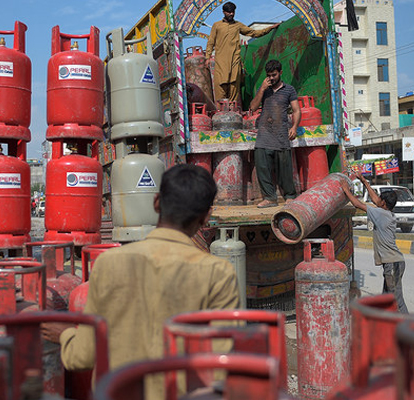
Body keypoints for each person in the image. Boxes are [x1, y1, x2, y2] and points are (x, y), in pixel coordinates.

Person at [42, 164, 239, 398]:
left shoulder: (108, 264)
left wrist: (64, 335)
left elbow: (81, 357)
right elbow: (222, 366)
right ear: (206, 217)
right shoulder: (219, 273)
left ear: (157, 202)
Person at [340, 170, 408, 313]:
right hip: (393, 263)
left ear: (383, 203)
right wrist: (364, 181)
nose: (377, 201)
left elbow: (358, 204)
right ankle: (386, 327)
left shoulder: (380, 213)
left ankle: (409, 328)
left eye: (380, 200)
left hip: (392, 264)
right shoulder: (386, 212)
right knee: (386, 299)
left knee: (396, 300)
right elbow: (376, 200)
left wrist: (346, 190)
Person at [249, 59, 300, 208]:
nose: (271, 78)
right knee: (262, 167)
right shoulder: (264, 89)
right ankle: (270, 198)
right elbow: (253, 107)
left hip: (281, 135)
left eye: (274, 75)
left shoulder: (289, 90)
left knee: (284, 169)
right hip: (264, 135)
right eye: (269, 75)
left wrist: (295, 127)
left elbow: (296, 110)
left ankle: (290, 196)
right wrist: (262, 89)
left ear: (280, 73)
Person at [205, 2, 279, 103]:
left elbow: (253, 33)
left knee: (234, 85)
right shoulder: (217, 25)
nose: (231, 14)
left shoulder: (238, 25)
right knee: (221, 86)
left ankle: (234, 111)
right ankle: (221, 112)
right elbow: (211, 42)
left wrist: (269, 28)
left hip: (235, 61)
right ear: (224, 12)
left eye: (233, 12)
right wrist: (207, 57)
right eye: (229, 12)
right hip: (221, 62)